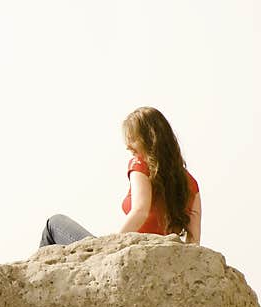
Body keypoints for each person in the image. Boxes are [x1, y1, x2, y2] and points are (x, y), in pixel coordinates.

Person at [39, 106, 202, 247]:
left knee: (54, 223)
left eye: (132, 139)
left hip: (132, 250)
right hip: (158, 259)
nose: (127, 146)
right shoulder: (191, 184)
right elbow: (194, 241)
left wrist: (111, 246)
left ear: (149, 139)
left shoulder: (140, 165)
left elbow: (140, 211)